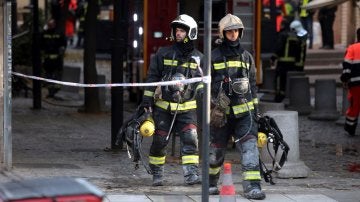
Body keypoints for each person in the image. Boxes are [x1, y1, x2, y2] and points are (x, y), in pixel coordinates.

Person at [141, 14, 204, 186]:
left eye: (182, 30)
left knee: (191, 139)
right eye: (177, 30)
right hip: (163, 108)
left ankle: (191, 175)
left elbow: (201, 81)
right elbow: (152, 78)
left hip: (187, 108)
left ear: (191, 33)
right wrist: (147, 101)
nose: (178, 33)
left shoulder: (199, 58)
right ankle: (157, 174)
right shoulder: (163, 53)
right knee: (160, 141)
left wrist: (202, 93)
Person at [208, 14, 265, 200]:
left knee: (250, 149)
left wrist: (256, 112)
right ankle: (210, 183)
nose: (233, 35)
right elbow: (204, 85)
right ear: (223, 33)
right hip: (221, 114)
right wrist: (212, 106)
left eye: (236, 31)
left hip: (244, 114)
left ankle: (253, 187)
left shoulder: (247, 57)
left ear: (240, 33)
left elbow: (253, 86)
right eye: (229, 31)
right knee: (216, 152)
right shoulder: (213, 57)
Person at [271, 19, 302, 102]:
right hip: (292, 63)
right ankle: (288, 96)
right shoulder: (295, 36)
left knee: (280, 80)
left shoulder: (282, 35)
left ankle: (279, 97)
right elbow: (299, 50)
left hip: (282, 62)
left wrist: (273, 58)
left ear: (283, 25)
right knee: (288, 81)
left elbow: (279, 47)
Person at [340, 28, 360, 136]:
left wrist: (344, 79)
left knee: (354, 106)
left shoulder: (352, 48)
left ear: (358, 36)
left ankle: (350, 127)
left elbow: (347, 66)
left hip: (356, 83)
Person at [40, 19, 67, 98]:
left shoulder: (59, 33)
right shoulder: (44, 33)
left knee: (57, 76)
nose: (50, 26)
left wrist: (61, 52)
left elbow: (64, 44)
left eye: (51, 25)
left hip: (57, 60)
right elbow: (41, 45)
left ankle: (55, 91)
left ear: (54, 25)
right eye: (49, 25)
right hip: (47, 60)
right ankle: (50, 91)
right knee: (48, 76)